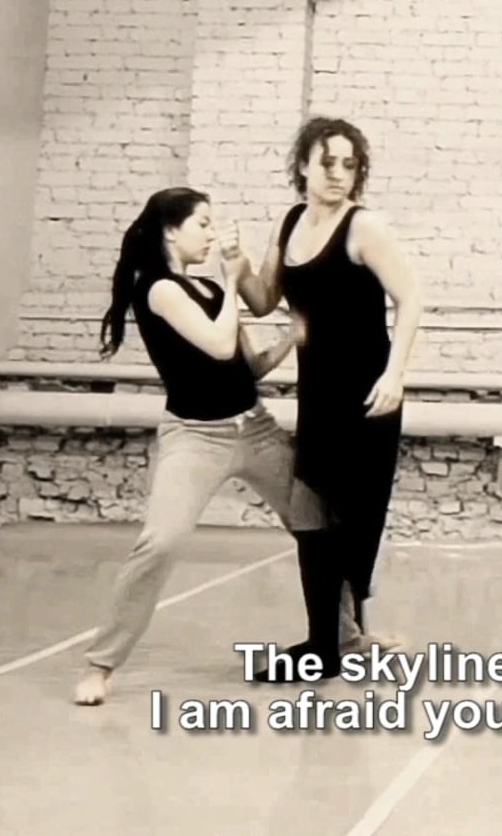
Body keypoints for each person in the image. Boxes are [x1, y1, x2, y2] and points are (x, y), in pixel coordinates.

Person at [73, 187, 321, 706]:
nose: (211, 233)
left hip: (255, 429)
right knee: (160, 542)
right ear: (171, 230)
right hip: (195, 437)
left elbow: (247, 366)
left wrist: (288, 339)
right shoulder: (159, 290)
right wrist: (233, 281)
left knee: (316, 524)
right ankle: (101, 664)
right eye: (202, 223)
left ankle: (347, 637)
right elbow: (218, 343)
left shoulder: (207, 287)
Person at [234, 117, 425, 680]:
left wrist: (395, 375)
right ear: (303, 166)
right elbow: (264, 299)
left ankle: (330, 646)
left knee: (348, 519)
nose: (339, 174)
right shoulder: (289, 222)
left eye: (350, 164)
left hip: (367, 395)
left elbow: (411, 299)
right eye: (328, 162)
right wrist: (237, 267)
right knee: (312, 512)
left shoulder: (364, 227)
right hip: (317, 394)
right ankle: (332, 643)